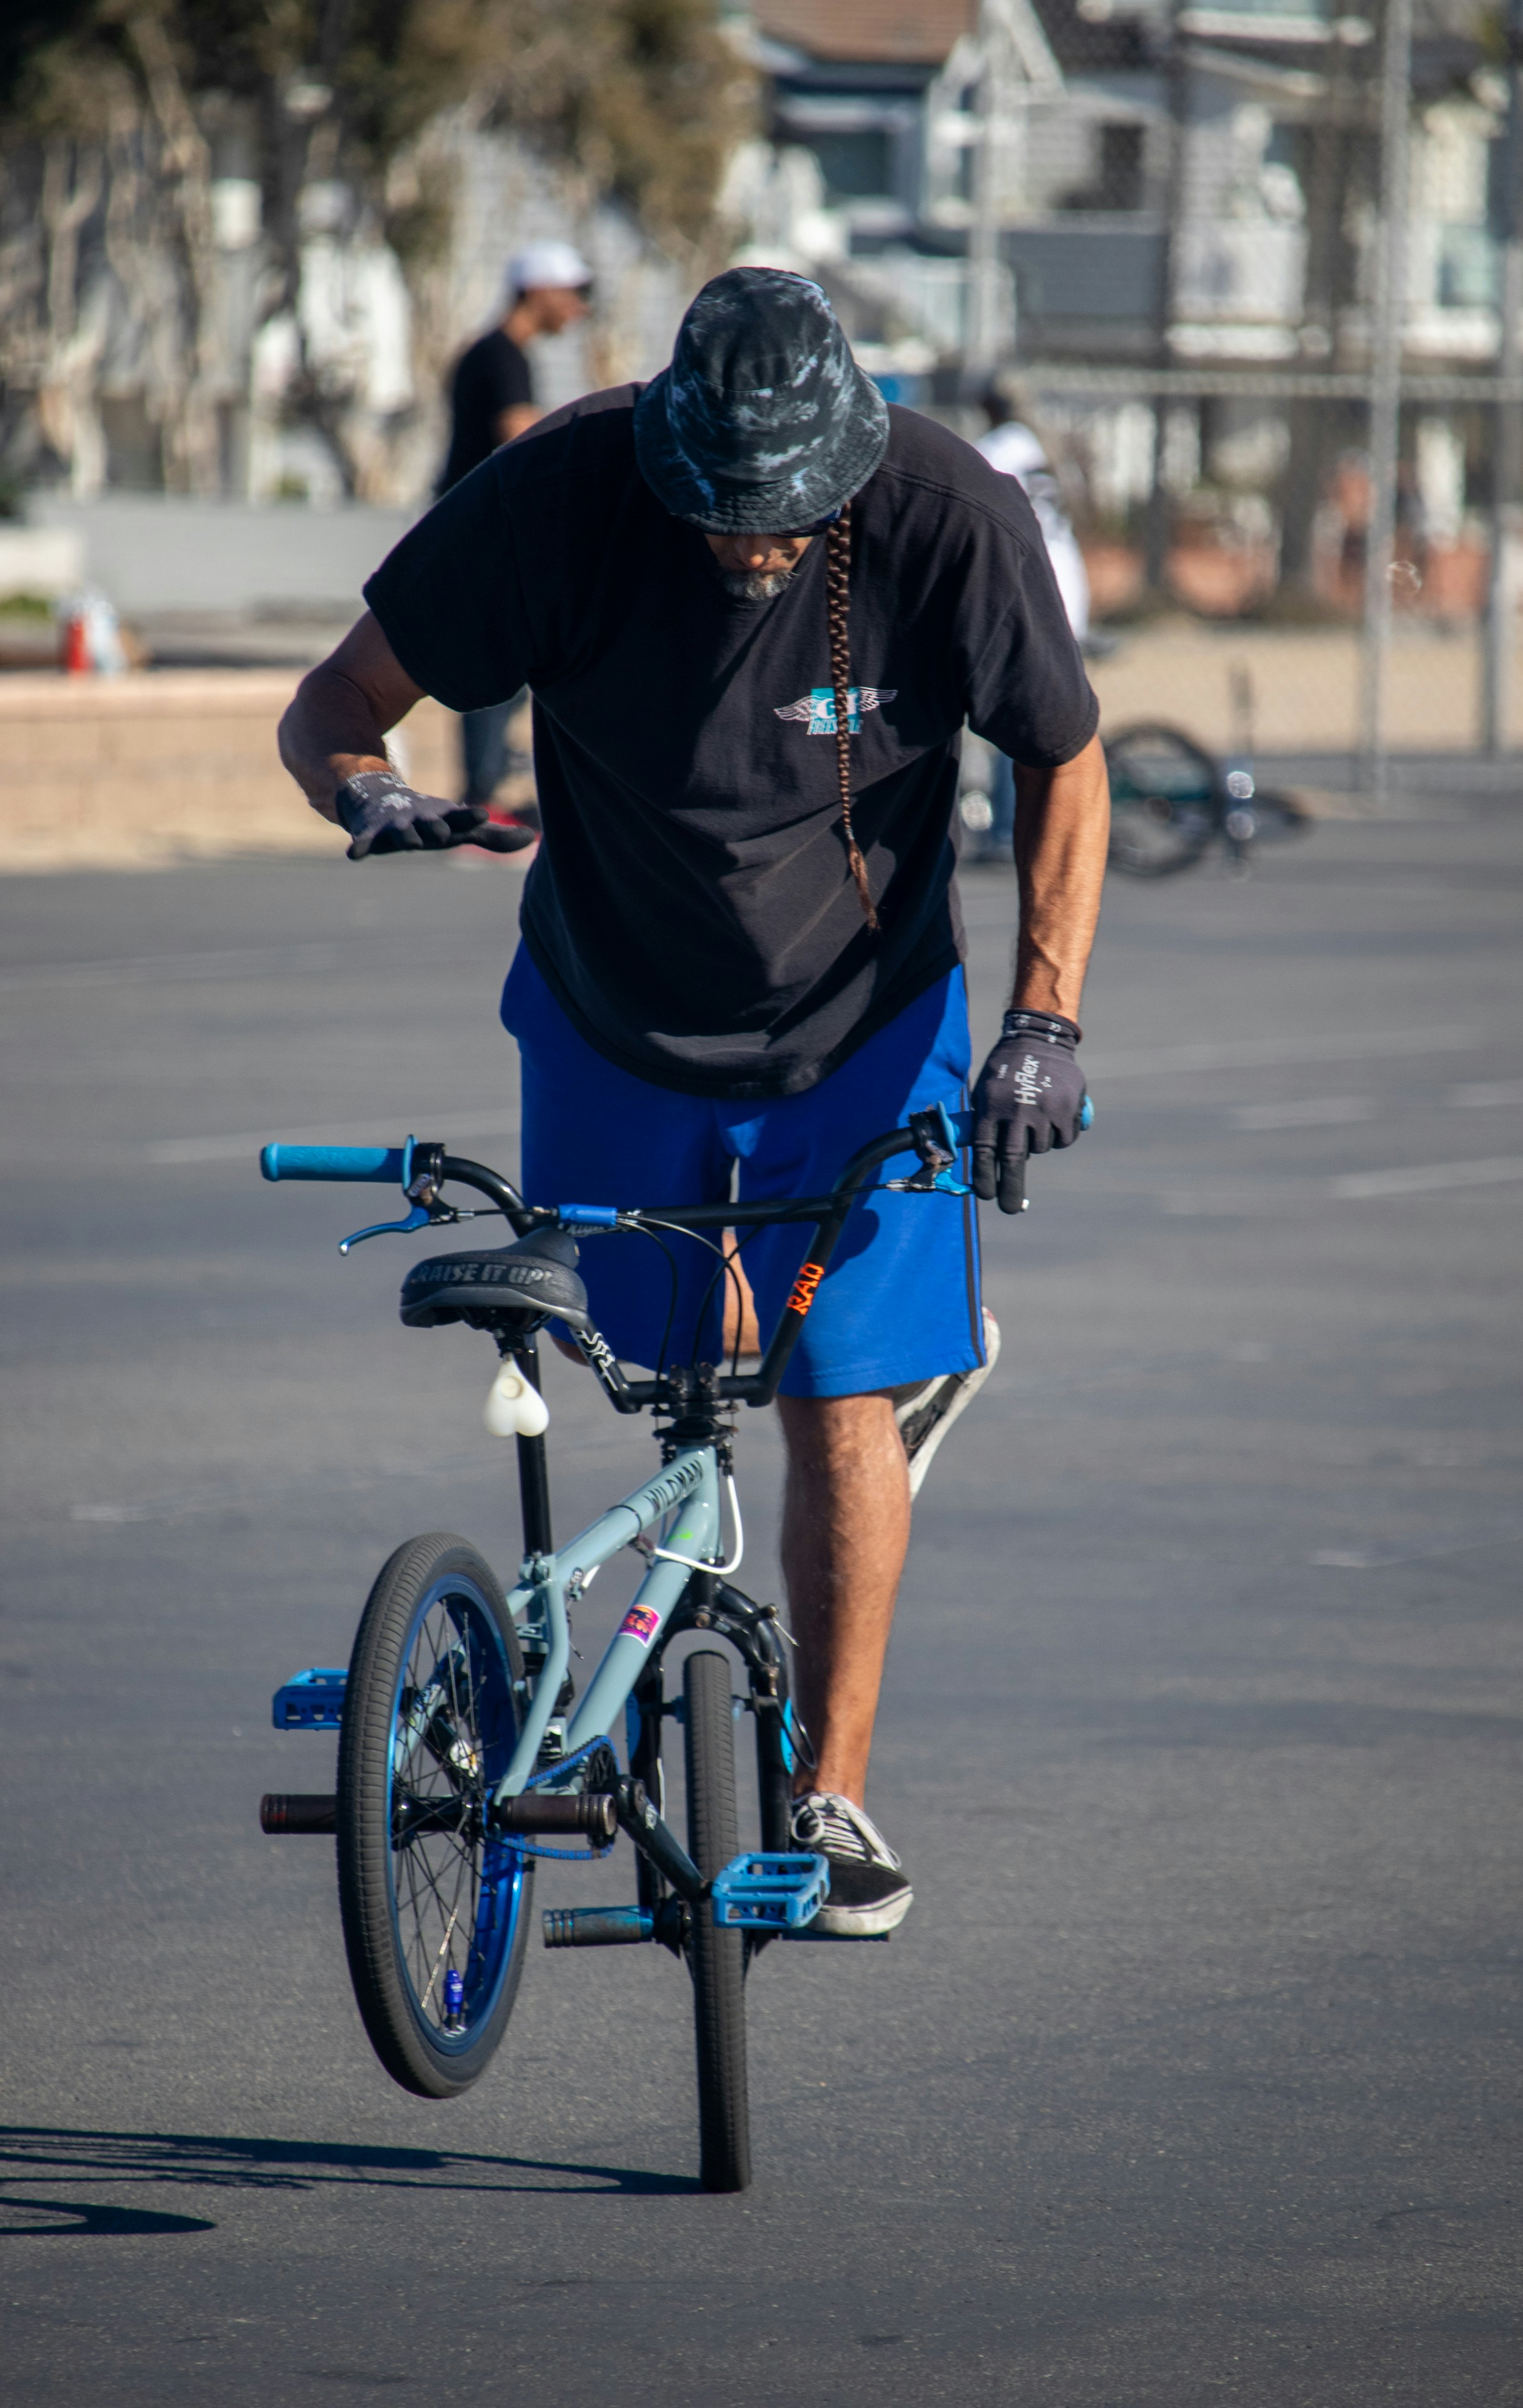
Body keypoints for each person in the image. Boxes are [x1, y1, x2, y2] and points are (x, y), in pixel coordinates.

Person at [278, 268, 1109, 1938]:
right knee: (662, 1375)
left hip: (864, 1024)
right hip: (613, 1009)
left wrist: (1044, 1021)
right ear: (663, 450)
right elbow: (333, 706)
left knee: (831, 1394)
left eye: (783, 518)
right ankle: (834, 1376)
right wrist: (364, 793)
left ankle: (828, 1796)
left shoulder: (948, 514)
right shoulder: (560, 495)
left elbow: (1061, 759)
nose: (750, 544)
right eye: (720, 513)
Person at [437, 241, 593, 811]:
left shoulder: (499, 353)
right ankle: (482, 797)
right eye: (575, 294)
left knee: (514, 660)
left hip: (483, 530)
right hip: (481, 534)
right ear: (540, 291)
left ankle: (491, 785)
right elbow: (520, 434)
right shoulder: (500, 354)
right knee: (493, 660)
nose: (579, 309)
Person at [972, 386, 1091, 860]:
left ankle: (1007, 830)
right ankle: (1041, 829)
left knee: (1013, 712)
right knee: (1052, 712)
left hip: (1033, 587)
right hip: (1070, 584)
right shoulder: (1039, 450)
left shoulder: (996, 449)